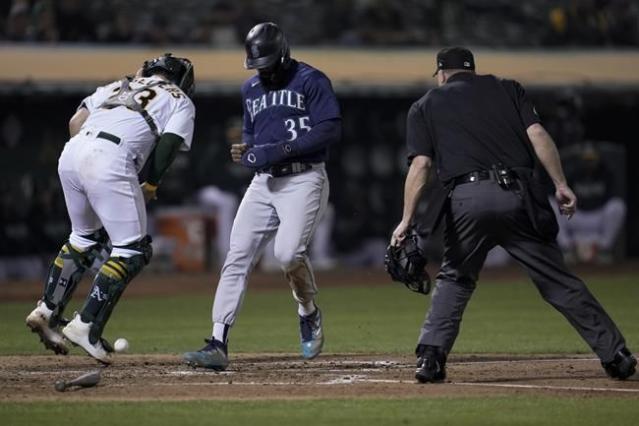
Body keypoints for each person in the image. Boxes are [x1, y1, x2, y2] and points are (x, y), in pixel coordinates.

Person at [391, 47, 636, 383]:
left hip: (467, 200)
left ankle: (431, 359)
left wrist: (406, 220)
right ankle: (617, 355)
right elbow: (538, 135)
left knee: (456, 278)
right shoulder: (509, 88)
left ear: (442, 74)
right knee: (559, 281)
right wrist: (561, 184)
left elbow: (421, 166)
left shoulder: (425, 105)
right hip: (519, 196)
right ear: (472, 71)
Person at [183, 22, 341, 370]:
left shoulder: (311, 80)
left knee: (287, 255)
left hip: (304, 178)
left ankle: (308, 311)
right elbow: (253, 136)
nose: (262, 70)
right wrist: (248, 151)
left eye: (267, 63)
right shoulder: (250, 88)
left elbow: (330, 128)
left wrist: (278, 150)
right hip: (263, 183)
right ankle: (217, 342)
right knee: (236, 256)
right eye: (257, 64)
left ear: (283, 54)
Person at [25, 53, 196, 364]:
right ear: (183, 79)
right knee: (132, 250)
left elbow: (74, 122)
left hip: (73, 151)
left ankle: (48, 311)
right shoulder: (179, 98)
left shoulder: (120, 84)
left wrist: (88, 157)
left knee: (83, 239)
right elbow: (169, 143)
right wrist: (152, 184)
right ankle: (86, 324)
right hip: (111, 155)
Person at [553, 143, 627, 264]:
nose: (589, 163)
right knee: (552, 203)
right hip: (577, 216)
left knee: (617, 205)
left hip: (597, 218)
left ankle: (604, 249)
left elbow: (612, 198)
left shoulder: (606, 174)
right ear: (581, 159)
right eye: (586, 160)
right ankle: (567, 248)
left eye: (592, 160)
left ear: (598, 158)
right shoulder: (573, 173)